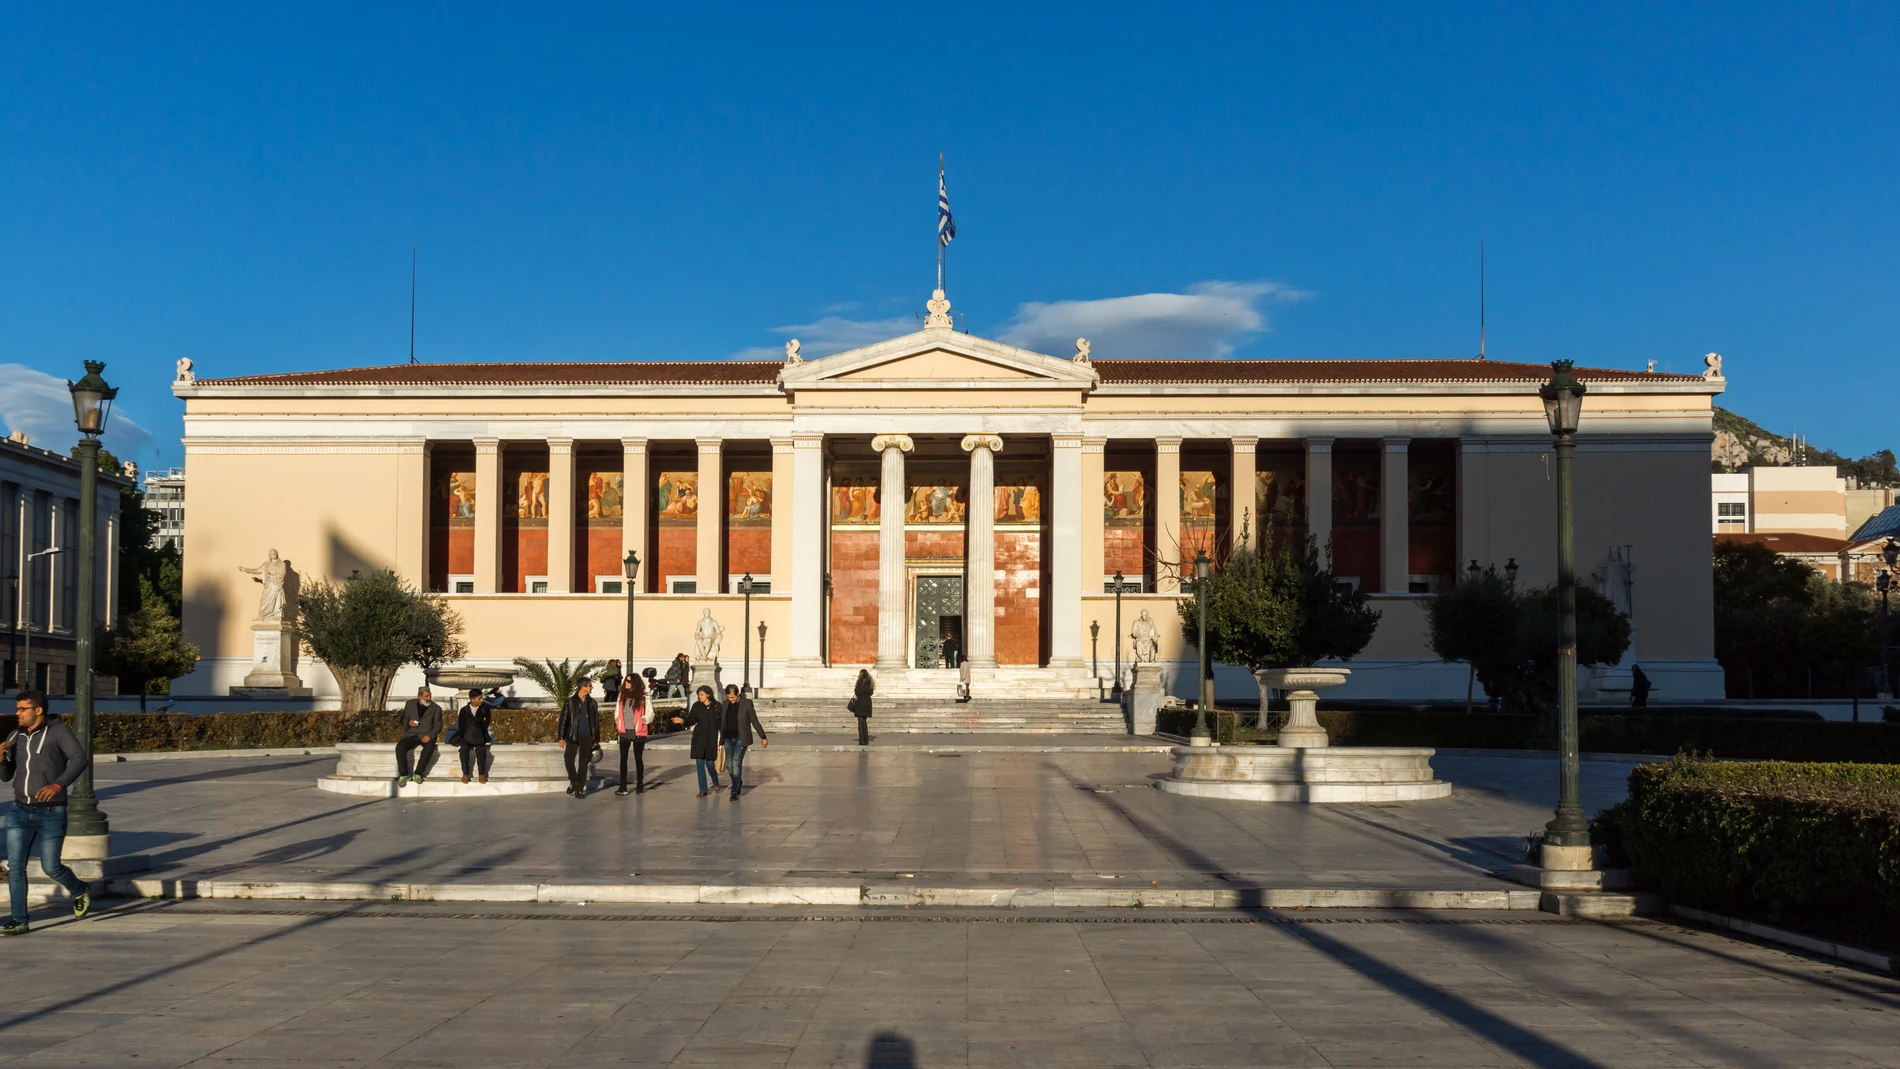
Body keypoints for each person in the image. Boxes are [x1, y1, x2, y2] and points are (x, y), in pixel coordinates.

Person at [0, 690, 92, 935]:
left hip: (51, 812)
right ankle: (20, 920)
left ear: (38, 710)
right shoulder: (15, 736)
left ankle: (80, 889)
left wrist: (58, 785)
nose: (17, 713)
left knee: (51, 866)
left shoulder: (58, 731)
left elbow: (79, 759)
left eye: (22, 709)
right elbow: (6, 776)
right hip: (19, 811)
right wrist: (1, 759)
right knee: (15, 867)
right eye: (17, 708)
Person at [721, 684, 769, 800]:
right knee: (729, 765)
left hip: (741, 738)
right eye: (728, 697)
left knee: (736, 763)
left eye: (732, 697)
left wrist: (763, 736)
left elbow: (754, 720)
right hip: (728, 738)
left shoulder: (746, 703)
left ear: (737, 694)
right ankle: (737, 781)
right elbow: (722, 722)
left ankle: (734, 792)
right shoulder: (725, 704)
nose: (730, 700)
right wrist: (720, 740)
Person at [558, 677, 602, 798]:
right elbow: (563, 720)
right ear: (583, 687)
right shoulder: (570, 702)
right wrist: (561, 737)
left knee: (583, 763)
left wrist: (596, 739)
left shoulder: (592, 703)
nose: (591, 687)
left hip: (587, 736)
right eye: (590, 686)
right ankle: (573, 781)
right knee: (568, 760)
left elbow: (595, 723)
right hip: (572, 735)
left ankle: (579, 789)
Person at [679, 685, 725, 796]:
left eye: (701, 694)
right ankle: (703, 789)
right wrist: (682, 721)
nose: (699, 697)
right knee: (700, 764)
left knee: (710, 765)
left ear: (708, 695)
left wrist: (721, 740)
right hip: (699, 739)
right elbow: (692, 719)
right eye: (698, 695)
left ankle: (715, 782)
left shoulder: (717, 706)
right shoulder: (696, 706)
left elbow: (721, 724)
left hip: (711, 740)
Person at [395, 686, 443, 787]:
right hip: (411, 734)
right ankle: (404, 774)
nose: (428, 698)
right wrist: (408, 723)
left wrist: (430, 735)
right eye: (426, 696)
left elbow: (438, 725)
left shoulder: (436, 708)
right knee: (400, 746)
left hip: (426, 735)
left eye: (430, 696)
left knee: (429, 748)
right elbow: (403, 718)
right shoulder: (410, 704)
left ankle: (418, 773)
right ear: (419, 696)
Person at [614, 674, 652, 796]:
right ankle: (623, 786)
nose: (626, 683)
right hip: (624, 731)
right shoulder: (621, 695)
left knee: (638, 759)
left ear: (634, 683)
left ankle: (640, 785)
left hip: (638, 731)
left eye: (629, 681)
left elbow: (650, 712)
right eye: (626, 680)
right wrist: (617, 721)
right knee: (623, 760)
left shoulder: (644, 696)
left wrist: (644, 720)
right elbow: (617, 711)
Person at [454, 687, 493, 784]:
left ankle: (482, 774)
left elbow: (486, 723)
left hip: (480, 736)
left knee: (481, 750)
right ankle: (466, 773)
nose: (481, 700)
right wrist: (477, 722)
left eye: (481, 698)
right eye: (479, 698)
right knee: (463, 750)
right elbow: (462, 725)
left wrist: (474, 724)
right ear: (472, 699)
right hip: (466, 736)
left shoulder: (485, 708)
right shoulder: (464, 710)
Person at [851, 669, 875, 746]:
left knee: (861, 723)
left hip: (860, 704)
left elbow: (857, 692)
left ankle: (862, 741)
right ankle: (866, 740)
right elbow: (871, 692)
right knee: (864, 722)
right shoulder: (870, 683)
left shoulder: (859, 682)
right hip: (867, 703)